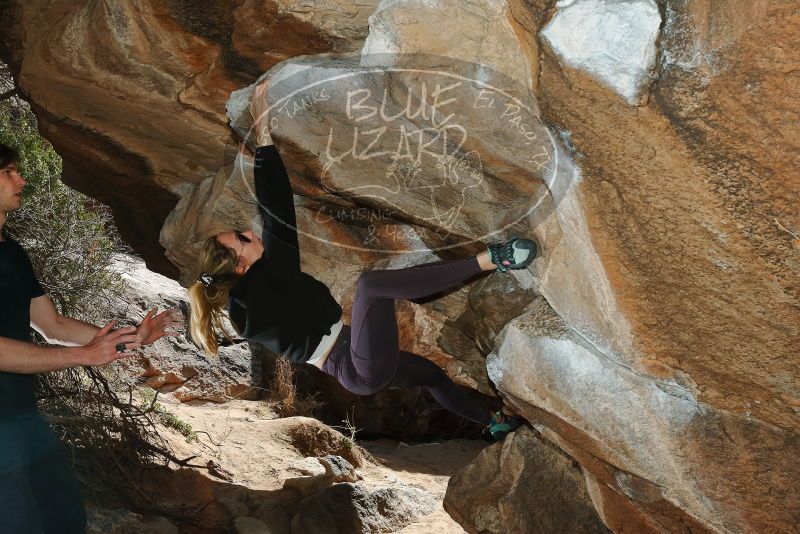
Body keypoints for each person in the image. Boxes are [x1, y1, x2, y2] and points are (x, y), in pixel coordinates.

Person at [188, 81, 535, 442]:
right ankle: (493, 259)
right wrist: (262, 134)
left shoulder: (265, 281)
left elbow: (278, 213)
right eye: (242, 239)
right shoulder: (252, 300)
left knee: (432, 376)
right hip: (353, 366)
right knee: (372, 286)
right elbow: (275, 211)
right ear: (240, 267)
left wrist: (264, 133)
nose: (248, 231)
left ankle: (491, 423)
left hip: (357, 360)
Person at [0, 142, 183, 533]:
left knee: (65, 516)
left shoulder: (11, 252)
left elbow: (53, 325)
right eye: (8, 171)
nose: (21, 178)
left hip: (20, 416)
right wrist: (84, 355)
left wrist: (133, 338)